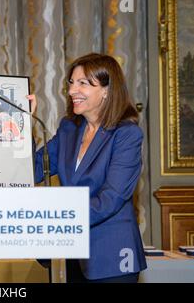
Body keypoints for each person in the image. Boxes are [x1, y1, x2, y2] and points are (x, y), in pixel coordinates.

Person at [29, 53, 147, 283]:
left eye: (83, 83)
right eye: (71, 83)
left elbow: (110, 198)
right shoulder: (69, 129)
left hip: (111, 259)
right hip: (70, 256)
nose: (72, 90)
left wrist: (59, 220)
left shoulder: (126, 135)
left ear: (106, 90)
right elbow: (33, 169)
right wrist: (22, 124)